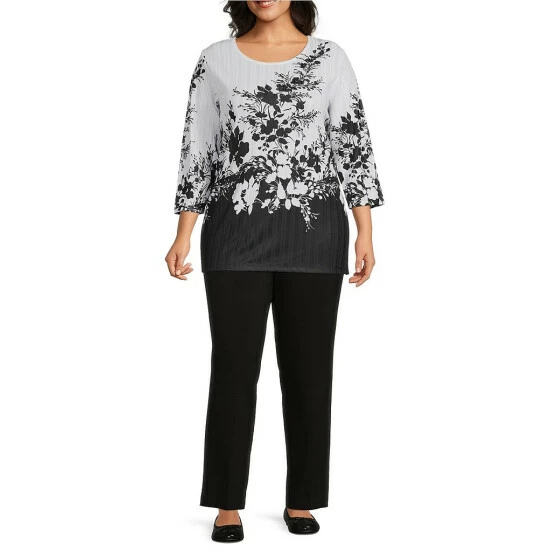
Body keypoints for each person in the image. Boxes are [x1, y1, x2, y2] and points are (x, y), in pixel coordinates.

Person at [165, 0, 384, 542]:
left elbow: (351, 142)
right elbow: (199, 146)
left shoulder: (330, 59)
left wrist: (365, 230)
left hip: (315, 238)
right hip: (233, 238)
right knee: (233, 371)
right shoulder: (215, 59)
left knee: (309, 371)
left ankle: (302, 497)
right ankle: (226, 503)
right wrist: (184, 231)